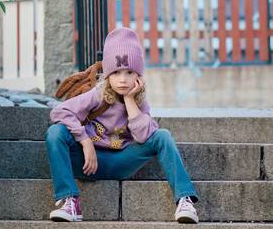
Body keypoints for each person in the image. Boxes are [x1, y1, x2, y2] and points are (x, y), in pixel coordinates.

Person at [45, 27, 199, 223]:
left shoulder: (140, 102)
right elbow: (59, 111)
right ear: (108, 74)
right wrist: (85, 140)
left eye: (129, 72)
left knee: (163, 135)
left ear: (139, 76)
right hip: (87, 162)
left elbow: (144, 136)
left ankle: (184, 200)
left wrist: (129, 100)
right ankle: (70, 201)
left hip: (122, 161)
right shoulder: (98, 94)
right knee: (55, 132)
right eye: (116, 72)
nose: (123, 79)